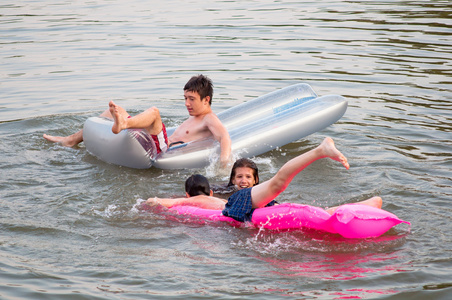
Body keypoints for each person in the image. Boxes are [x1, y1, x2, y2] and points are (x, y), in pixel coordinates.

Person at [144, 137, 383, 222]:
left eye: (249, 176)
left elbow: (171, 202)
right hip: (255, 208)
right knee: (315, 213)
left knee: (279, 183)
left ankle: (320, 150)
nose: (244, 179)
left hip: (239, 207)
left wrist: (150, 203)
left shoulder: (201, 200)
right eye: (240, 176)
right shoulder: (213, 196)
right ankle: (366, 205)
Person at [43, 75, 232, 167]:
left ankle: (124, 124)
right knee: (110, 113)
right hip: (160, 142)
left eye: (191, 99)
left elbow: (224, 137)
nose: (186, 103)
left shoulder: (209, 118)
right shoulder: (195, 117)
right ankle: (71, 140)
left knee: (155, 112)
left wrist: (223, 166)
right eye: (185, 98)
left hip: (164, 150)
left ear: (206, 100)